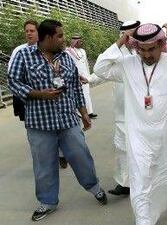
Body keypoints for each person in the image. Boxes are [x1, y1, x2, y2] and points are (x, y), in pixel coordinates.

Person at [93, 23, 167, 225]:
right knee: (140, 179)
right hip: (139, 136)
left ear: (161, 44)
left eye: (152, 49)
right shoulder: (127, 64)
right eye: (142, 50)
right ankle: (143, 220)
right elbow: (100, 68)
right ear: (135, 47)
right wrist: (121, 40)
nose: (147, 55)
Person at [8, 19, 107, 221]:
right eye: (60, 36)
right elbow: (13, 82)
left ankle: (94, 187)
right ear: (47, 38)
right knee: (44, 165)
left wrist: (84, 114)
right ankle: (47, 202)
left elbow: (75, 88)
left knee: (81, 156)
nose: (64, 39)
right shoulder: (24, 56)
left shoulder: (67, 58)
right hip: (39, 125)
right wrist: (38, 94)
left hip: (68, 121)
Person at [8, 19, 68, 169]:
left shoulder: (54, 50)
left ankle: (61, 154)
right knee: (34, 128)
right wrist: (34, 93)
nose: (29, 33)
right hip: (26, 96)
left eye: (32, 31)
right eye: (26, 31)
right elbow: (13, 77)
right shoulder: (19, 51)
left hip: (55, 96)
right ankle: (43, 152)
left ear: (40, 33)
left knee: (59, 126)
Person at [107, 20, 141, 196]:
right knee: (121, 147)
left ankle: (141, 179)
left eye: (133, 33)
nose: (130, 37)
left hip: (140, 110)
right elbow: (104, 71)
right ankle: (124, 183)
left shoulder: (142, 51)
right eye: (127, 34)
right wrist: (88, 79)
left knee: (141, 147)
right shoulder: (116, 51)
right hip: (122, 110)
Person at [66, 35, 98, 119]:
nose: (81, 43)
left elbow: (86, 63)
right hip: (77, 75)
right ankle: (79, 112)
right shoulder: (68, 51)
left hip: (85, 75)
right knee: (79, 94)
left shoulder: (83, 51)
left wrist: (88, 75)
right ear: (75, 42)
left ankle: (90, 112)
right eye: (79, 41)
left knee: (86, 93)